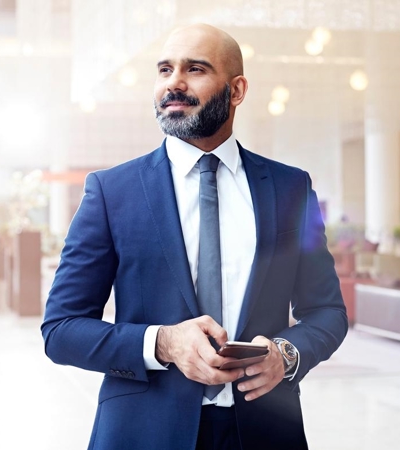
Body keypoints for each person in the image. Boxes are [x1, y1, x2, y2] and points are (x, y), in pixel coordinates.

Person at [41, 24, 347, 450]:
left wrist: (286, 354)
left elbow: (327, 311)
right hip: (143, 433)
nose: (174, 84)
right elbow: (61, 330)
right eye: (165, 70)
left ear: (236, 90)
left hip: (264, 433)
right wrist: (163, 343)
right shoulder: (112, 192)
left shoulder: (290, 188)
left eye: (195, 69)